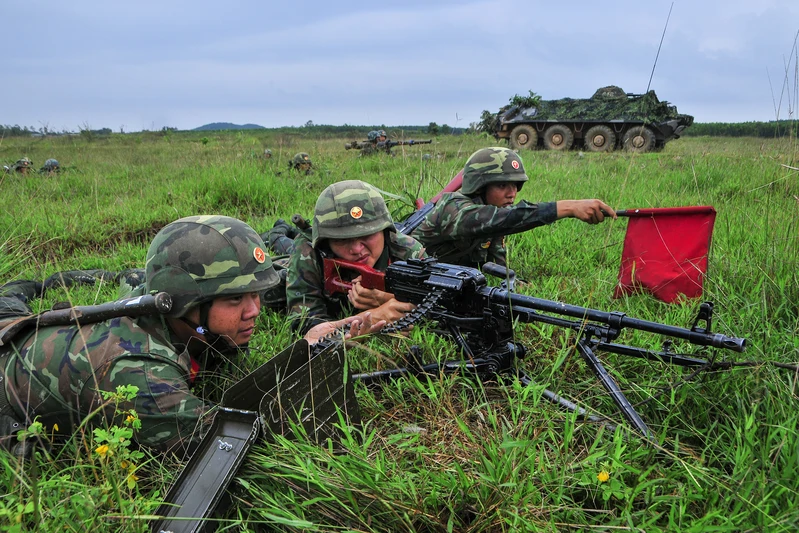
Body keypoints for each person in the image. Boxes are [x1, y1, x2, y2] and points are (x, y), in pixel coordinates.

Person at [0, 215, 381, 458]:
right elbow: (239, 441)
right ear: (187, 302)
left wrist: (307, 346)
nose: (254, 310)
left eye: (256, 295)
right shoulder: (138, 374)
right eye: (235, 299)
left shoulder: (190, 325)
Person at [411, 147, 617, 268]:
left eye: (515, 186)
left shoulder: (493, 212)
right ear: (480, 186)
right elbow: (504, 219)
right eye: (502, 185)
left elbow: (496, 263)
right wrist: (568, 208)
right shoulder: (455, 208)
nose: (512, 193)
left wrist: (512, 281)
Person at [286, 180, 427, 336]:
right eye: (342, 240)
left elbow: (434, 309)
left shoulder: (409, 253)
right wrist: (369, 318)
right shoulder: (308, 251)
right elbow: (304, 326)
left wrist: (387, 299)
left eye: (367, 235)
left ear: (384, 230)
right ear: (326, 241)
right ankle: (278, 234)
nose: (357, 249)